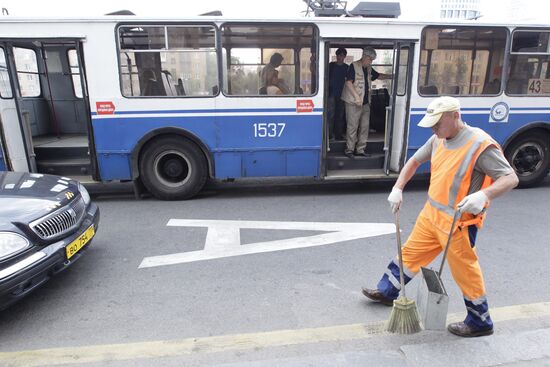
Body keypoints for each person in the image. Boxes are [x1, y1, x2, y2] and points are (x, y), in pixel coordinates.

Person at [361, 96, 519, 337]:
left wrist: (483, 195)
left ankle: (480, 321)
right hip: (431, 216)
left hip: (458, 224)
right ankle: (387, 291)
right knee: (409, 254)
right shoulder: (438, 139)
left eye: (437, 123)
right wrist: (398, 188)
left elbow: (510, 178)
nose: (434, 128)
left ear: (455, 116)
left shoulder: (479, 145)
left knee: (465, 272)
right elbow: (414, 161)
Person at [340, 47, 391, 159]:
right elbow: (348, 83)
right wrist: (357, 97)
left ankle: (360, 149)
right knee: (352, 126)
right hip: (353, 102)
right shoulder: (353, 66)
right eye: (370, 59)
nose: (371, 62)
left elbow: (378, 76)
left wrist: (392, 76)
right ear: (364, 57)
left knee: (364, 127)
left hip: (365, 103)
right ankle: (349, 149)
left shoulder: (368, 68)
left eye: (372, 60)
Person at [327, 47, 348, 140]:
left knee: (340, 115)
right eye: (339, 55)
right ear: (336, 56)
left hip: (342, 94)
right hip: (331, 93)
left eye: (342, 55)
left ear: (345, 57)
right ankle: (329, 135)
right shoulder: (330, 66)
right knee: (330, 115)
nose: (340, 57)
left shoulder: (347, 68)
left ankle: (338, 135)